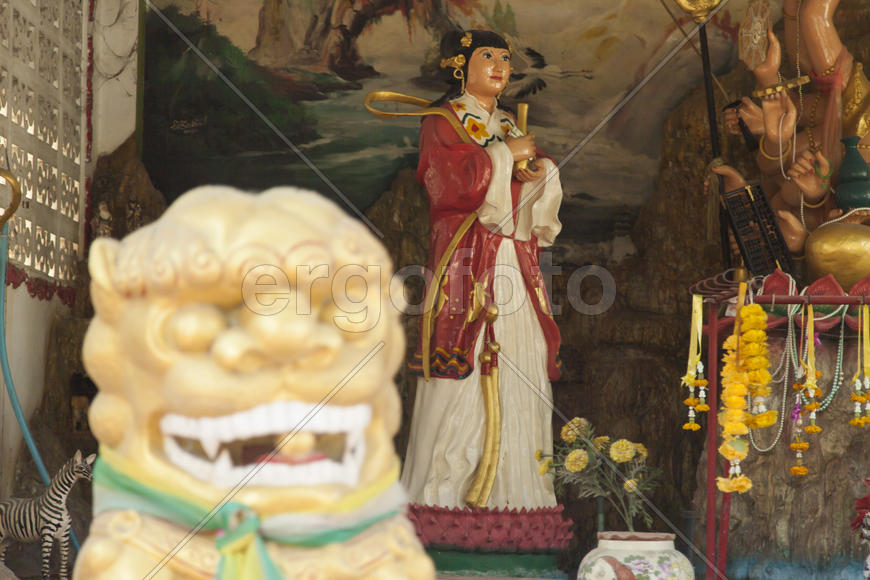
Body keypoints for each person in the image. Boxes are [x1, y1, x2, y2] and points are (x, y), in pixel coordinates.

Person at [400, 29, 564, 511]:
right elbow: (445, 183)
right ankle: (444, 501)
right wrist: (500, 158)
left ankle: (520, 499)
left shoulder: (510, 125)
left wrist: (540, 171)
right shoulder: (442, 121)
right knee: (464, 368)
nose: (500, 66)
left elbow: (526, 188)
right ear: (461, 65)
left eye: (506, 59)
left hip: (513, 261)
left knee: (524, 354)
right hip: (467, 261)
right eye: (487, 56)